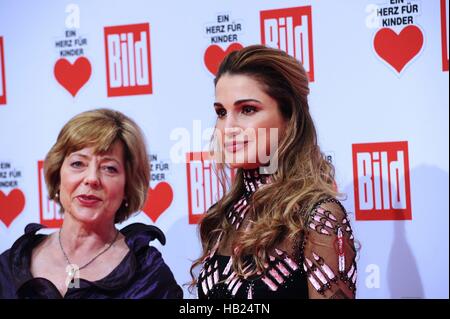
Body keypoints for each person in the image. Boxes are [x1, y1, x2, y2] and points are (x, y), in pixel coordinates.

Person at [190, 45, 358, 299]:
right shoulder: (223, 216)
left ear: (289, 117)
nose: (229, 127)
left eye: (247, 109)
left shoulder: (318, 216)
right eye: (221, 113)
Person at [0, 109, 183, 299]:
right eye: (78, 163)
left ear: (127, 187)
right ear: (57, 176)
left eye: (109, 168)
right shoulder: (9, 267)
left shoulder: (148, 276)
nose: (92, 178)